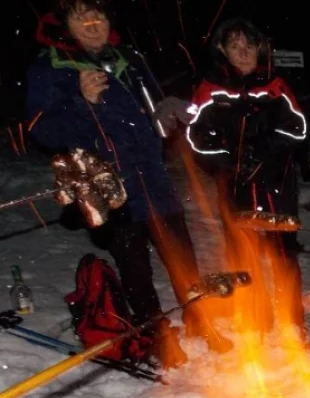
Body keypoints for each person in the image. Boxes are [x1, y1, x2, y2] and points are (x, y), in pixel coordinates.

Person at [25, 0, 229, 368]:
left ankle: (201, 319)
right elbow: (41, 130)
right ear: (65, 24)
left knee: (182, 257)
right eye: (80, 17)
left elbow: (152, 108)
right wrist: (81, 100)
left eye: (98, 15)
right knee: (135, 267)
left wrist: (167, 114)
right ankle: (159, 335)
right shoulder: (50, 67)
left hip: (153, 177)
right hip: (109, 187)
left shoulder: (128, 59)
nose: (92, 23)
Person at [186, 17, 307, 335]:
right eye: (235, 46)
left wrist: (268, 150)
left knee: (284, 252)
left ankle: (292, 318)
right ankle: (258, 315)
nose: (243, 52)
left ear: (259, 48)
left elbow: (298, 128)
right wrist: (228, 162)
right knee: (242, 252)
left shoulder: (275, 84)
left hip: (276, 182)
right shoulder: (210, 88)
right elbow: (197, 139)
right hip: (235, 185)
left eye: (248, 45)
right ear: (223, 50)